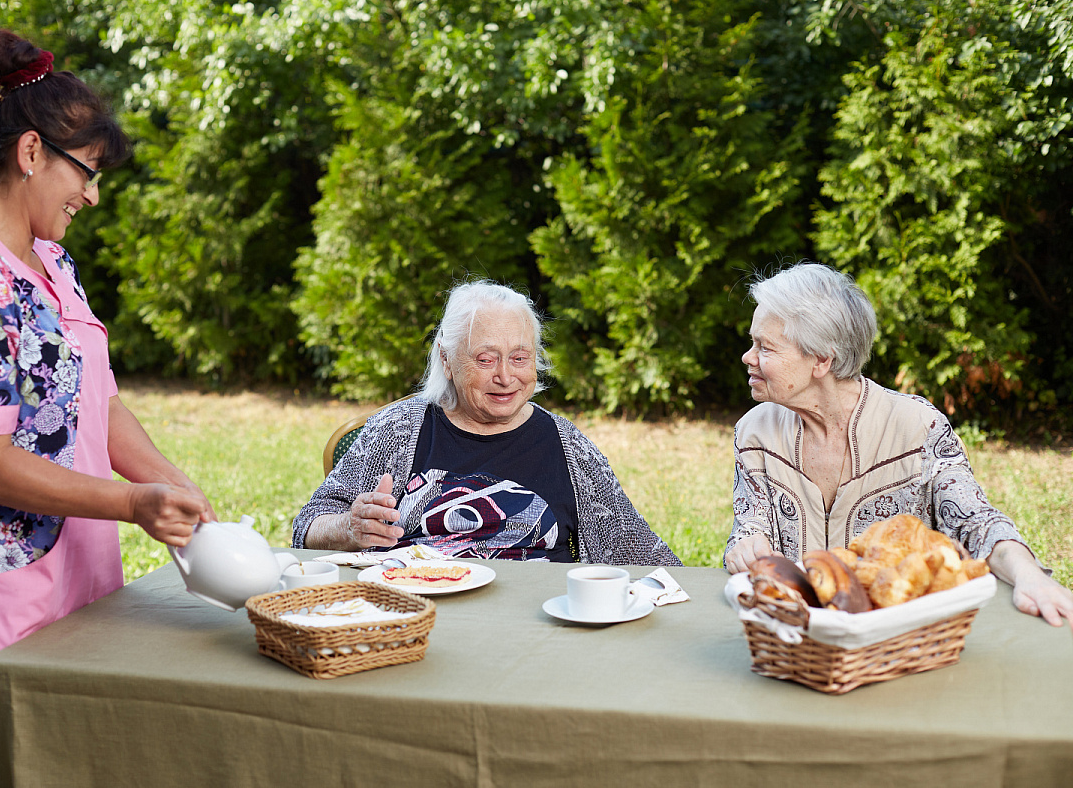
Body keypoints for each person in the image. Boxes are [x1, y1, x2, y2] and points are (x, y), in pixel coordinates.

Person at [0, 29, 215, 788]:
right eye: (89, 172)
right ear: (32, 152)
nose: (94, 194)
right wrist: (134, 501)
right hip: (6, 596)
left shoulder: (51, 259)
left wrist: (174, 485)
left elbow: (93, 400)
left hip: (84, 582)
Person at [724, 262, 1073, 626]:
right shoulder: (754, 432)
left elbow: (978, 524)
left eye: (764, 347)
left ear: (822, 360)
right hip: (799, 643)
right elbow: (751, 528)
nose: (748, 357)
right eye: (753, 343)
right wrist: (745, 547)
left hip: (902, 636)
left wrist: (1029, 576)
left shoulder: (918, 428)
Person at [294, 280, 681, 566]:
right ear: (447, 361)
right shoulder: (396, 430)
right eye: (485, 359)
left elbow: (639, 551)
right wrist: (349, 527)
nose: (505, 377)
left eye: (519, 357)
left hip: (539, 629)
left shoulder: (568, 445)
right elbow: (306, 527)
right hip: (421, 611)